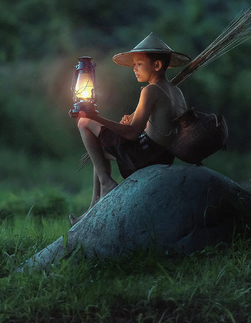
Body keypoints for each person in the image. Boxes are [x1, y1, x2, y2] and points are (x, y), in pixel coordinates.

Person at [69, 32, 190, 225]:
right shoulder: (177, 91)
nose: (134, 69)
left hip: (145, 156)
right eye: (134, 64)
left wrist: (95, 117)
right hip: (163, 155)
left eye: (139, 64)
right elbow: (160, 128)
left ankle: (107, 184)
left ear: (157, 65)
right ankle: (93, 206)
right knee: (98, 154)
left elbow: (133, 133)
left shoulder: (151, 90)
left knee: (83, 122)